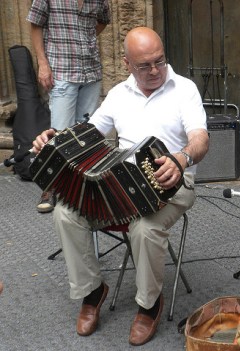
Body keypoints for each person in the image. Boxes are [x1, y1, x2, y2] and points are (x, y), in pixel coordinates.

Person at [32, 27, 209, 346]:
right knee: (64, 214)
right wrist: (54, 140)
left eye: (160, 61)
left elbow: (201, 139)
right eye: (145, 65)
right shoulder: (117, 94)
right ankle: (92, 292)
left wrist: (181, 159)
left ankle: (149, 304)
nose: (155, 70)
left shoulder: (184, 89)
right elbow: (88, 136)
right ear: (127, 63)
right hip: (119, 183)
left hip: (171, 180)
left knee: (144, 227)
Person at [27, 0, 111, 213]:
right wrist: (43, 63)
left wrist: (85, 37)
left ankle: (83, 186)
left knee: (86, 135)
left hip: (91, 70)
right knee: (59, 134)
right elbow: (35, 23)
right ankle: (51, 186)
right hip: (62, 70)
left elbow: (103, 20)